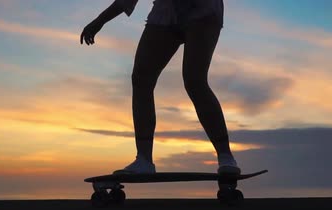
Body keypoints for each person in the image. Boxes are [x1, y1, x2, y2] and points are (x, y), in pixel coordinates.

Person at [80, 0, 240, 175]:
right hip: (165, 12)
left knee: (195, 81)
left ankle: (226, 157)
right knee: (141, 79)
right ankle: (144, 159)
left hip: (203, 10)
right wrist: (99, 21)